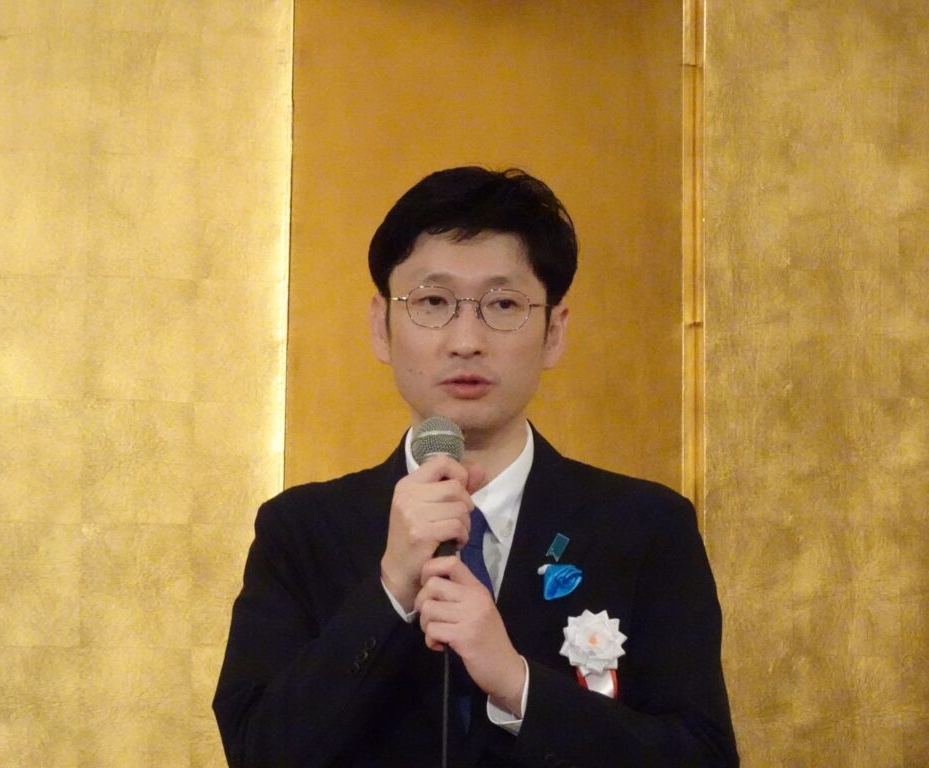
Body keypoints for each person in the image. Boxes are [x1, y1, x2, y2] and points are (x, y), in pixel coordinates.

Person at [213, 167, 739, 767]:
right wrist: (390, 589)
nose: (466, 340)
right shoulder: (302, 529)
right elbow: (258, 752)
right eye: (433, 302)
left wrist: (518, 685)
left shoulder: (645, 528)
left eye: (503, 304)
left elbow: (703, 757)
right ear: (381, 327)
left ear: (554, 333)